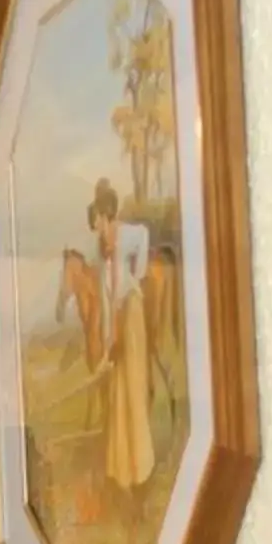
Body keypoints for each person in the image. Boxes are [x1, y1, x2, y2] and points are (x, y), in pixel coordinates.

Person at [88, 178, 155, 501]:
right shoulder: (107, 258)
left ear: (106, 215)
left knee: (132, 389)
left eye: (98, 221)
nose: (97, 227)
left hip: (131, 315)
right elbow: (105, 301)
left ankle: (141, 469)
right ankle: (124, 473)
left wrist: (138, 275)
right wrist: (107, 345)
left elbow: (144, 236)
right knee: (119, 393)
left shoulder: (127, 234)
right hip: (118, 324)